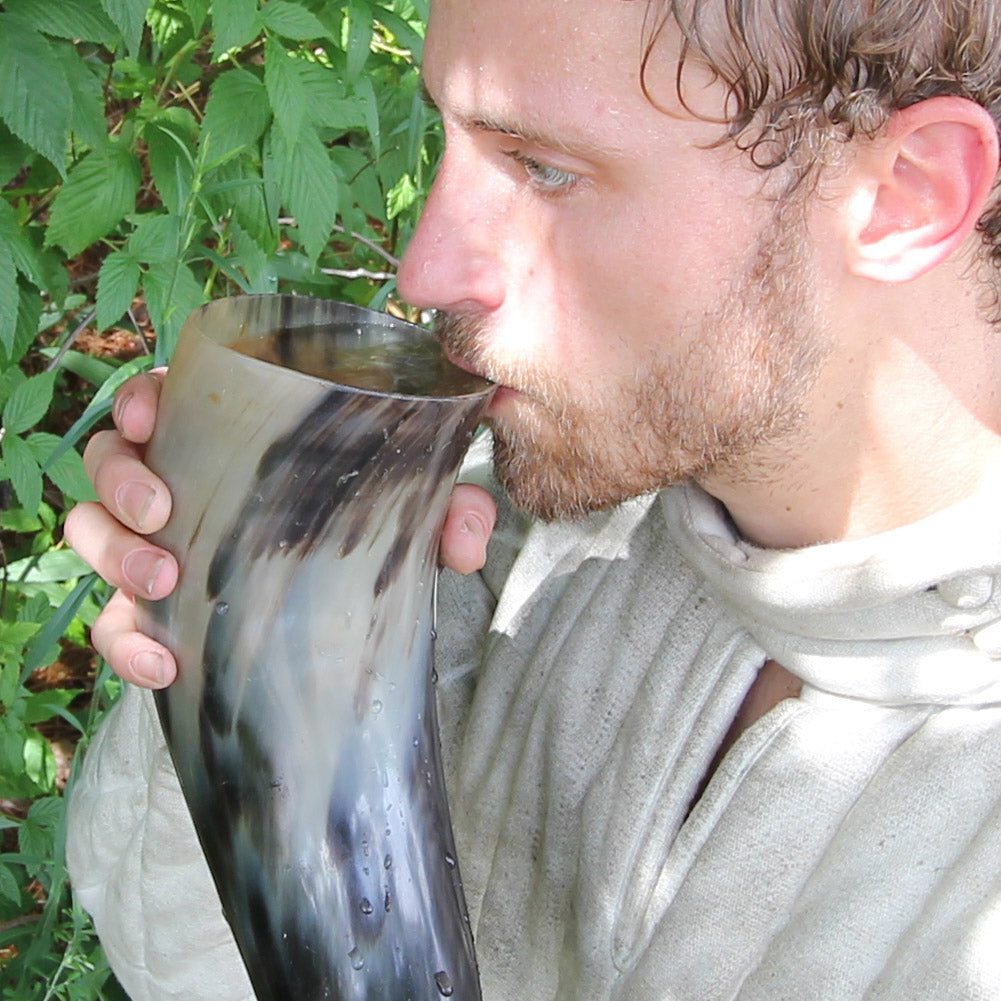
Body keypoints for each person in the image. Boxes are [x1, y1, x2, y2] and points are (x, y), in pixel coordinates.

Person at [64, 0, 1001, 997]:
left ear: (901, 193)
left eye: (544, 167)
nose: (424, 271)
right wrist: (241, 642)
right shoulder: (487, 548)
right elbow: (184, 964)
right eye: (447, 138)